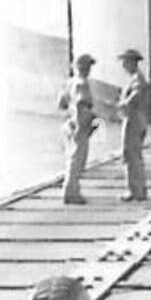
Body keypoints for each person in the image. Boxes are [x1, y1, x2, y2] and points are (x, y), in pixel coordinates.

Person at [56, 53, 97, 204]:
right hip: (80, 124)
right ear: (84, 67)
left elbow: (61, 104)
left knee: (70, 158)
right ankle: (71, 193)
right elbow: (81, 104)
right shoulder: (82, 83)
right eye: (88, 66)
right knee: (78, 160)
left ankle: (72, 189)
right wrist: (81, 125)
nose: (89, 69)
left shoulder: (68, 83)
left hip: (68, 125)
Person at [116, 48, 149, 201]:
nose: (122, 65)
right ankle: (139, 189)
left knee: (130, 154)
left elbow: (136, 94)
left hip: (133, 120)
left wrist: (124, 104)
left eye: (124, 61)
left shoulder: (137, 79)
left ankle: (135, 191)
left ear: (131, 62)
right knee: (135, 155)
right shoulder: (136, 78)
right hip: (136, 119)